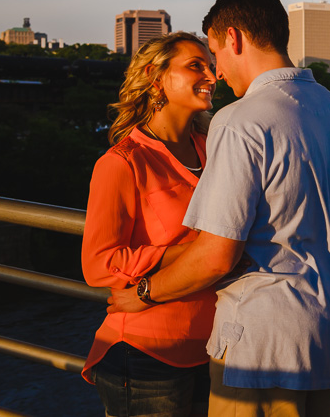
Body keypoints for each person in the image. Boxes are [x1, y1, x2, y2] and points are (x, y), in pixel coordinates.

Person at [109, 0, 330, 417]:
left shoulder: (240, 120)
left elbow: (214, 255)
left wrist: (145, 293)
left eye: (215, 54)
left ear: (234, 38)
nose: (218, 73)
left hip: (263, 341)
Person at [82, 31, 218, 417]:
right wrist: (192, 253)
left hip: (216, 346)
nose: (211, 75)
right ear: (156, 78)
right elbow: (98, 263)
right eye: (196, 66)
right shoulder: (123, 162)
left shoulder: (217, 148)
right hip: (147, 354)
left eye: (211, 66)